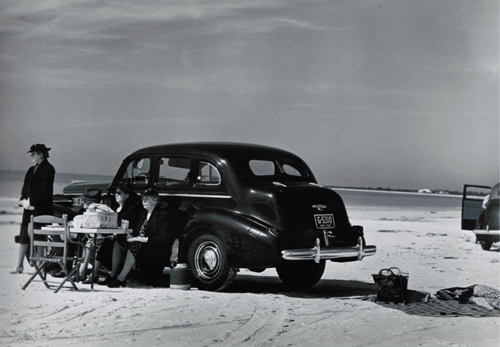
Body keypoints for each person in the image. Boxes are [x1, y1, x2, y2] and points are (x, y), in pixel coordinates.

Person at [107, 187, 185, 288]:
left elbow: (164, 238)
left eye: (146, 199)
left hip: (155, 249)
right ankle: (114, 274)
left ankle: (121, 278)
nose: (143, 201)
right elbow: (139, 232)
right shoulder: (143, 214)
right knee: (119, 241)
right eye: (142, 199)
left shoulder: (162, 215)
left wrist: (144, 239)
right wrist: (133, 236)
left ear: (155, 200)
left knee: (135, 244)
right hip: (143, 245)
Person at [12, 144, 55, 274]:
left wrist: (32, 202)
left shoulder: (49, 169)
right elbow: (26, 187)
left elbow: (45, 189)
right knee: (24, 236)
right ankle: (19, 266)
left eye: (33, 153)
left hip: (41, 208)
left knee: (40, 238)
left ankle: (41, 268)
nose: (31, 155)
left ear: (41, 154)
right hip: (28, 208)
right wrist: (23, 200)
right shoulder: (31, 169)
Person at [96, 181, 144, 285]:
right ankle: (96, 274)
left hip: (125, 237)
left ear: (126, 195)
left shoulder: (131, 210)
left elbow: (132, 227)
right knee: (103, 243)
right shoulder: (115, 209)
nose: (116, 195)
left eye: (119, 193)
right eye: (115, 193)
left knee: (116, 242)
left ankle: (113, 275)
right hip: (115, 236)